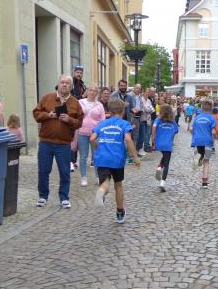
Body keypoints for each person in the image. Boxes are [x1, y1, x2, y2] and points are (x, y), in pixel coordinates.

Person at [32, 74, 82, 209]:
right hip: (46, 142)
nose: (64, 85)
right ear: (58, 84)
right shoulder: (47, 98)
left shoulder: (75, 103)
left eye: (67, 83)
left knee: (65, 172)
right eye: (62, 82)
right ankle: (43, 196)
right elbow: (36, 114)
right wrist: (48, 115)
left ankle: (64, 197)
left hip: (64, 144)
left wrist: (69, 120)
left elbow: (79, 122)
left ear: (71, 86)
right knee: (43, 171)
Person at [91, 98, 140, 223]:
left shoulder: (103, 123)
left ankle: (101, 191)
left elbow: (91, 138)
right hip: (117, 159)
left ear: (109, 111)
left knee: (105, 182)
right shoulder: (124, 124)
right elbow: (128, 139)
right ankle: (119, 212)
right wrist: (135, 157)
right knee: (118, 185)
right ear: (123, 111)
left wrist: (98, 148)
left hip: (102, 158)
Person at [73, 85, 105, 186]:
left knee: (96, 156)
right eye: (91, 90)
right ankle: (84, 177)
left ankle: (98, 177)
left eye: (95, 91)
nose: (92, 92)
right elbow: (75, 115)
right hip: (82, 132)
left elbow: (102, 120)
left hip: (95, 134)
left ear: (97, 93)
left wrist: (99, 131)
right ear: (87, 91)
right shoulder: (80, 102)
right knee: (83, 156)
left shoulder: (99, 105)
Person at [190, 98, 218, 188]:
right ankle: (205, 182)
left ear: (202, 108)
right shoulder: (212, 118)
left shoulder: (197, 117)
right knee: (206, 161)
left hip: (197, 141)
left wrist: (195, 135)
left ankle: (198, 159)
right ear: (211, 108)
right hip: (207, 141)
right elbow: (213, 132)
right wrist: (217, 138)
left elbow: (191, 129)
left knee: (200, 157)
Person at [151, 104, 179, 192]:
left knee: (165, 155)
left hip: (159, 143)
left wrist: (153, 139)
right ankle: (162, 183)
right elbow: (175, 132)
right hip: (168, 144)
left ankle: (159, 167)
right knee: (166, 164)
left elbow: (154, 127)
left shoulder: (157, 120)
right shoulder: (173, 123)